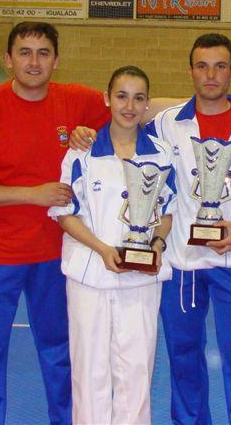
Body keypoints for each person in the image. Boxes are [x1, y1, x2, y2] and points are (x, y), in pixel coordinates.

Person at [70, 33, 231, 425]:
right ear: (191, 71)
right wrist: (83, 134)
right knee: (184, 360)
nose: (211, 75)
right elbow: (124, 130)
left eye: (220, 66)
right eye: (202, 66)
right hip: (182, 262)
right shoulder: (167, 125)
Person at [0, 22, 110, 425]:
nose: (34, 62)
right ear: (8, 59)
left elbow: (133, 106)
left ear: (57, 60)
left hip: (55, 255)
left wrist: (203, 103)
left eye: (43, 53)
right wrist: (31, 194)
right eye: (25, 52)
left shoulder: (77, 102)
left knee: (62, 351)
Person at [48, 66, 175, 424]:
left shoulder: (161, 154)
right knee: (90, 372)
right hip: (89, 276)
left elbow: (169, 209)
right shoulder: (82, 154)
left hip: (142, 278)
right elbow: (64, 213)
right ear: (107, 99)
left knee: (137, 371)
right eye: (121, 96)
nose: (129, 106)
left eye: (138, 98)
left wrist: (158, 241)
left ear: (147, 103)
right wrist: (102, 249)